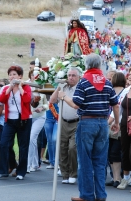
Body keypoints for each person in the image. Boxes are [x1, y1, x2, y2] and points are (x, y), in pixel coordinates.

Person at [58, 54, 119, 201]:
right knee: (100, 161)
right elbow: (115, 105)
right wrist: (116, 122)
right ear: (99, 65)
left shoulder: (84, 81)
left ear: (87, 65)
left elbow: (75, 104)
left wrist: (64, 96)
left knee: (85, 161)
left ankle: (86, 195)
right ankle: (101, 195)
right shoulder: (107, 82)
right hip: (103, 123)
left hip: (87, 123)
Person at [0, 65, 32, 180]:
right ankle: (3, 170)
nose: (12, 77)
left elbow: (27, 100)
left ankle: (21, 171)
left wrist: (20, 87)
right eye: (10, 74)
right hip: (9, 120)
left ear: (20, 76)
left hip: (24, 120)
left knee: (23, 146)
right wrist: (9, 89)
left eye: (14, 74)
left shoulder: (26, 87)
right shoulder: (6, 88)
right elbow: (1, 100)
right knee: (4, 144)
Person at [50, 67, 80, 184]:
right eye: (69, 75)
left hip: (76, 121)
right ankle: (65, 174)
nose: (71, 78)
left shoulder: (80, 88)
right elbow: (52, 100)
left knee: (72, 148)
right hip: (63, 121)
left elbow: (76, 104)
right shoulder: (63, 88)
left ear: (78, 77)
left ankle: (73, 173)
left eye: (73, 75)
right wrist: (59, 87)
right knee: (62, 148)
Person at [107, 72, 126, 188]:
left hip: (117, 124)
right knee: (110, 153)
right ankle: (114, 177)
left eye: (110, 79)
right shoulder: (110, 91)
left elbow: (118, 108)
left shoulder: (124, 92)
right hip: (109, 123)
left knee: (115, 152)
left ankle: (118, 178)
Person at [27, 71, 48, 172]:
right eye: (32, 75)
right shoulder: (26, 86)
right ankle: (35, 163)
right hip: (29, 116)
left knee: (32, 138)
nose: (34, 77)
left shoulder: (43, 87)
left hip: (40, 117)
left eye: (37, 76)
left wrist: (42, 107)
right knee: (32, 140)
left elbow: (48, 104)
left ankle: (28, 165)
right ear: (30, 77)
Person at [44, 103, 59, 169]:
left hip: (57, 118)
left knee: (55, 139)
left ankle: (57, 162)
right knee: (49, 141)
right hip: (48, 118)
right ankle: (52, 162)